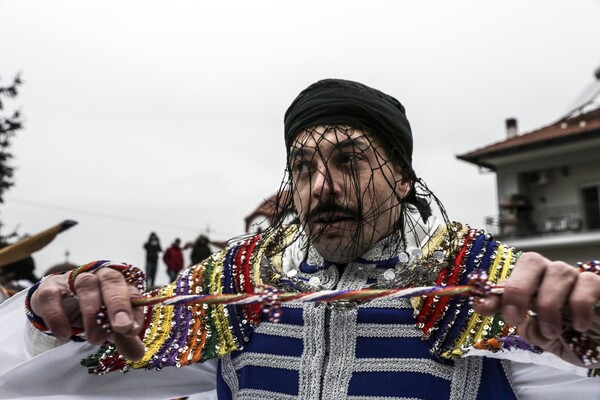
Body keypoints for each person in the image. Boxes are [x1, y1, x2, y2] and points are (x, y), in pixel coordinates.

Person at [1, 79, 600, 399]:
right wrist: (52, 310)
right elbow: (69, 374)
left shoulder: (483, 281)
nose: (322, 186)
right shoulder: (236, 282)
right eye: (304, 168)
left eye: (348, 160)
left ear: (403, 175)